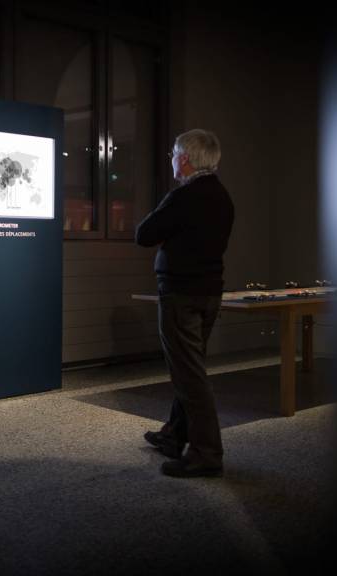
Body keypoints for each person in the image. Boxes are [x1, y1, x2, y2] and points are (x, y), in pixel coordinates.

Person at [135, 129, 234, 478]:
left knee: (190, 376)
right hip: (209, 293)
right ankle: (174, 435)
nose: (172, 160)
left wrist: (166, 206)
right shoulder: (222, 196)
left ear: (186, 159)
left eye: (174, 154)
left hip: (181, 296)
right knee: (189, 367)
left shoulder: (184, 196)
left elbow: (143, 235)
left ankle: (207, 453)